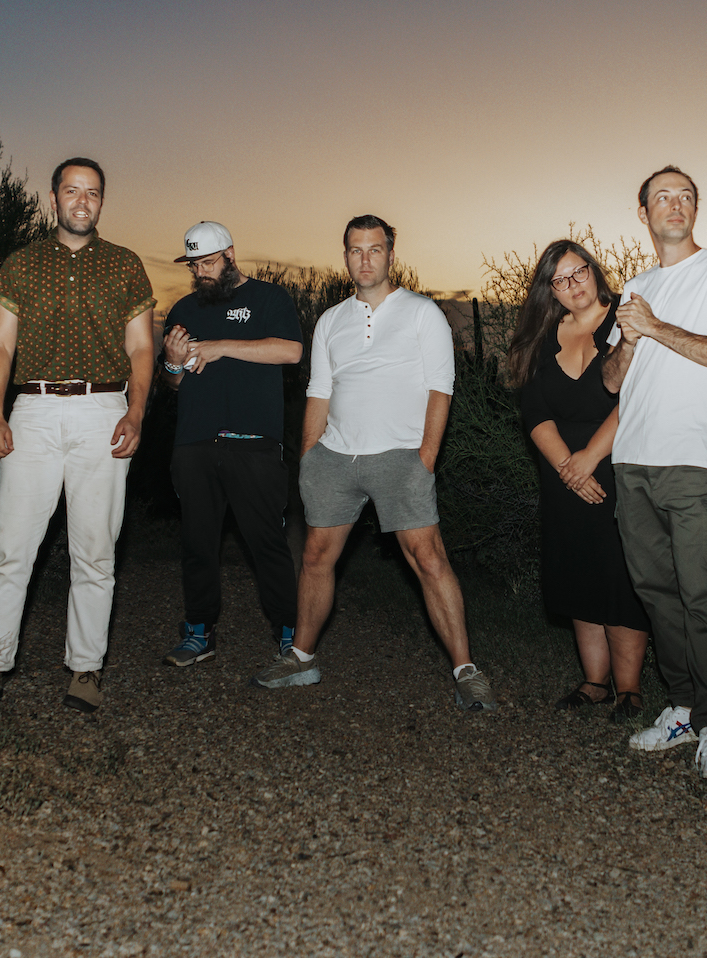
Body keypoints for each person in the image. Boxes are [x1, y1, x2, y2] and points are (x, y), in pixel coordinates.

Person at [250, 214, 498, 712]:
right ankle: (301, 657)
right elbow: (319, 391)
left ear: (391, 254)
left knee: (428, 559)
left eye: (375, 249)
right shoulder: (331, 321)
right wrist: (309, 458)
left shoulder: (421, 312)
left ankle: (466, 670)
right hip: (335, 458)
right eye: (355, 250)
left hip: (401, 456)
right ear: (345, 256)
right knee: (317, 558)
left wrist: (425, 459)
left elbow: (440, 389)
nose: (366, 259)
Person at [0, 157, 157, 715]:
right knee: (10, 546)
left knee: (95, 550)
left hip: (104, 409)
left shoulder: (125, 266)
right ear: (53, 198)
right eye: (72, 191)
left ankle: (85, 669)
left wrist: (136, 413)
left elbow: (142, 350)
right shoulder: (22, 265)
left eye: (93, 192)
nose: (83, 201)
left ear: (102, 202)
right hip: (31, 409)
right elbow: (0, 346)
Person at [603, 165, 707, 778]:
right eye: (662, 197)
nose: (675, 204)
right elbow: (613, 381)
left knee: (701, 593)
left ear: (695, 210)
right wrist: (630, 338)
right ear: (643, 214)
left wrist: (656, 327)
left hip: (691, 460)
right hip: (631, 461)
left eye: (686, 196)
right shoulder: (634, 288)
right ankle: (684, 709)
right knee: (657, 593)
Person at [504, 239, 651, 721]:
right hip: (561, 472)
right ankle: (594, 682)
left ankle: (629, 689)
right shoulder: (542, 337)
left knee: (618, 575)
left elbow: (632, 399)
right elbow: (534, 411)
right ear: (549, 290)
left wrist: (588, 457)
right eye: (560, 279)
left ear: (594, 271)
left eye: (579, 273)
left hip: (615, 463)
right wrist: (569, 467)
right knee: (577, 571)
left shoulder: (624, 322)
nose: (573, 285)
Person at [158, 220, 305, 667]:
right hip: (195, 444)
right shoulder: (183, 309)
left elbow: (292, 352)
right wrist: (172, 362)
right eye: (194, 265)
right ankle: (199, 631)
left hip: (254, 444)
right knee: (198, 542)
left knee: (266, 543)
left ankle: (290, 633)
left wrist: (221, 346)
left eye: (208, 262)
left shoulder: (269, 298)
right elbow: (176, 385)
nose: (201, 272)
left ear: (230, 255)